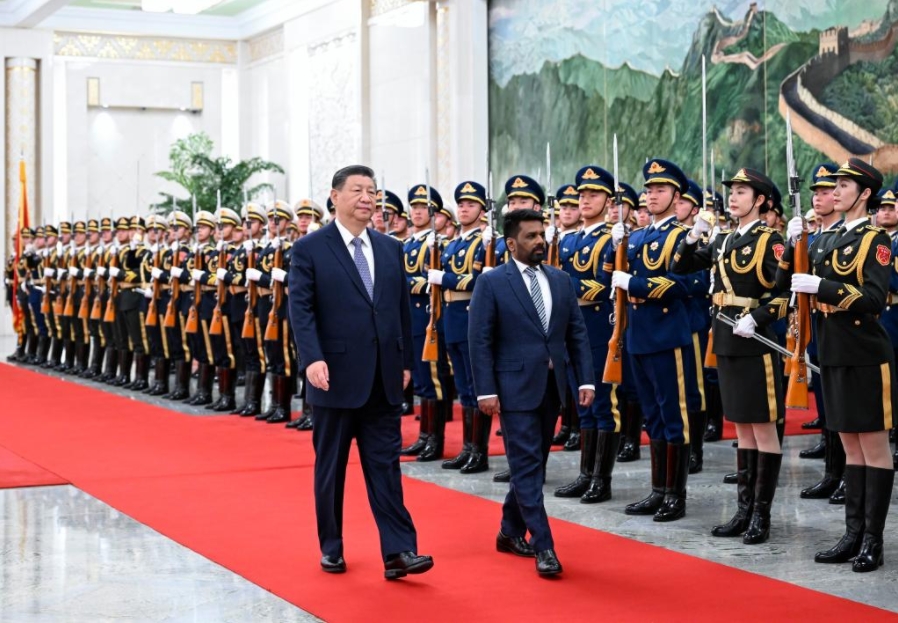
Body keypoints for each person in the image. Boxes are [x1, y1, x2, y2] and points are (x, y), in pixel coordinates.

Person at [289, 164, 433, 580]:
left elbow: (401, 311)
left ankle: (399, 551)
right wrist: (312, 358)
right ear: (334, 197)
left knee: (385, 467)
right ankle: (331, 547)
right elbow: (301, 310)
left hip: (383, 378)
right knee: (331, 469)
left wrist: (406, 362)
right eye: (357, 190)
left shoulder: (390, 249)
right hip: (332, 376)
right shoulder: (310, 248)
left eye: (372, 190)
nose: (367, 198)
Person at [783, 158, 895, 572]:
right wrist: (794, 242)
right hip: (830, 347)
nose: (836, 190)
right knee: (849, 440)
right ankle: (851, 534)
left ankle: (872, 540)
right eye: (835, 185)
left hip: (863, 351)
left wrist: (823, 287)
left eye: (845, 185)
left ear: (864, 193)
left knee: (873, 443)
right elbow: (787, 283)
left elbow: (873, 299)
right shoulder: (826, 239)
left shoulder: (875, 239)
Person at [469, 208, 594, 577]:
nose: (540, 241)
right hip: (512, 390)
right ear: (511, 243)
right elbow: (481, 342)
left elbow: (576, 333)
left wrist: (585, 380)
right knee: (526, 467)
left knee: (532, 465)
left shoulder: (560, 279)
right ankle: (544, 546)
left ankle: (509, 530)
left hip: (552, 389)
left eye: (541, 234)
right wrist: (486, 391)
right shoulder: (492, 283)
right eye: (530, 236)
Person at [673, 168, 789, 544]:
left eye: (742, 192)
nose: (733, 197)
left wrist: (757, 317)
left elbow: (783, 294)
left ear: (759, 201)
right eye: (732, 191)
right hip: (724, 334)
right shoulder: (722, 240)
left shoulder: (771, 240)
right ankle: (742, 511)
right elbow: (681, 266)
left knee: (763, 425)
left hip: (754, 337)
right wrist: (692, 235)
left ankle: (761, 515)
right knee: (741, 424)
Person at [611, 159, 698, 523]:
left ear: (676, 196)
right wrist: (613, 248)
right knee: (653, 417)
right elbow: (613, 276)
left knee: (673, 415)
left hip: (666, 333)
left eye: (660, 189)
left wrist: (636, 285)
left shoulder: (683, 237)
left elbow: (687, 284)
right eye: (648, 189)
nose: (652, 195)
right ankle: (658, 490)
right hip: (639, 333)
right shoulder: (638, 236)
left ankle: (675, 496)